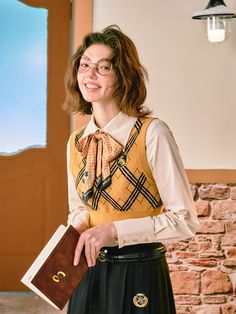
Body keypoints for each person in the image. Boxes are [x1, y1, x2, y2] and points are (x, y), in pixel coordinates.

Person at [63, 25, 199, 314]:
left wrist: (113, 230)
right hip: (88, 271)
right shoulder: (75, 142)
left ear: (123, 76)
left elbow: (184, 220)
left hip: (140, 271)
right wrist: (72, 235)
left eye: (103, 67)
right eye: (84, 65)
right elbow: (79, 209)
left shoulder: (153, 133)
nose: (90, 74)